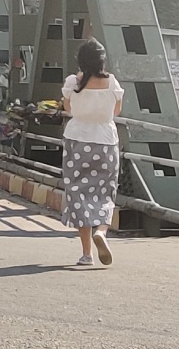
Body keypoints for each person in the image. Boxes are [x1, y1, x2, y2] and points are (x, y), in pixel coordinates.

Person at [61, 38, 123, 267]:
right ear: (101, 61)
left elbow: (68, 108)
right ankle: (102, 232)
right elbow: (117, 110)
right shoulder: (112, 83)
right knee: (106, 192)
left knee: (78, 194)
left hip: (77, 141)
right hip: (106, 142)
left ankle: (86, 254)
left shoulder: (72, 82)